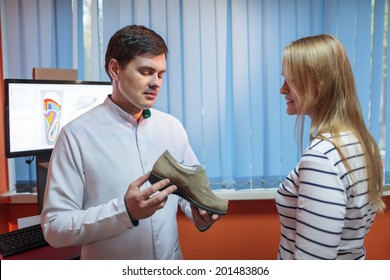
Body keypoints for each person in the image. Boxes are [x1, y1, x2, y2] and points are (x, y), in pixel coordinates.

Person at [40, 25, 222, 260]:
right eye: (146, 72)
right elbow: (55, 228)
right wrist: (124, 212)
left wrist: (198, 211)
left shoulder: (172, 127)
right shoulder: (75, 136)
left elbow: (189, 190)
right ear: (115, 69)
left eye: (160, 74)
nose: (156, 83)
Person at [276, 34, 386, 260]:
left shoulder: (322, 159)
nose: (283, 89)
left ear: (319, 82)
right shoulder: (364, 144)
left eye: (291, 80)